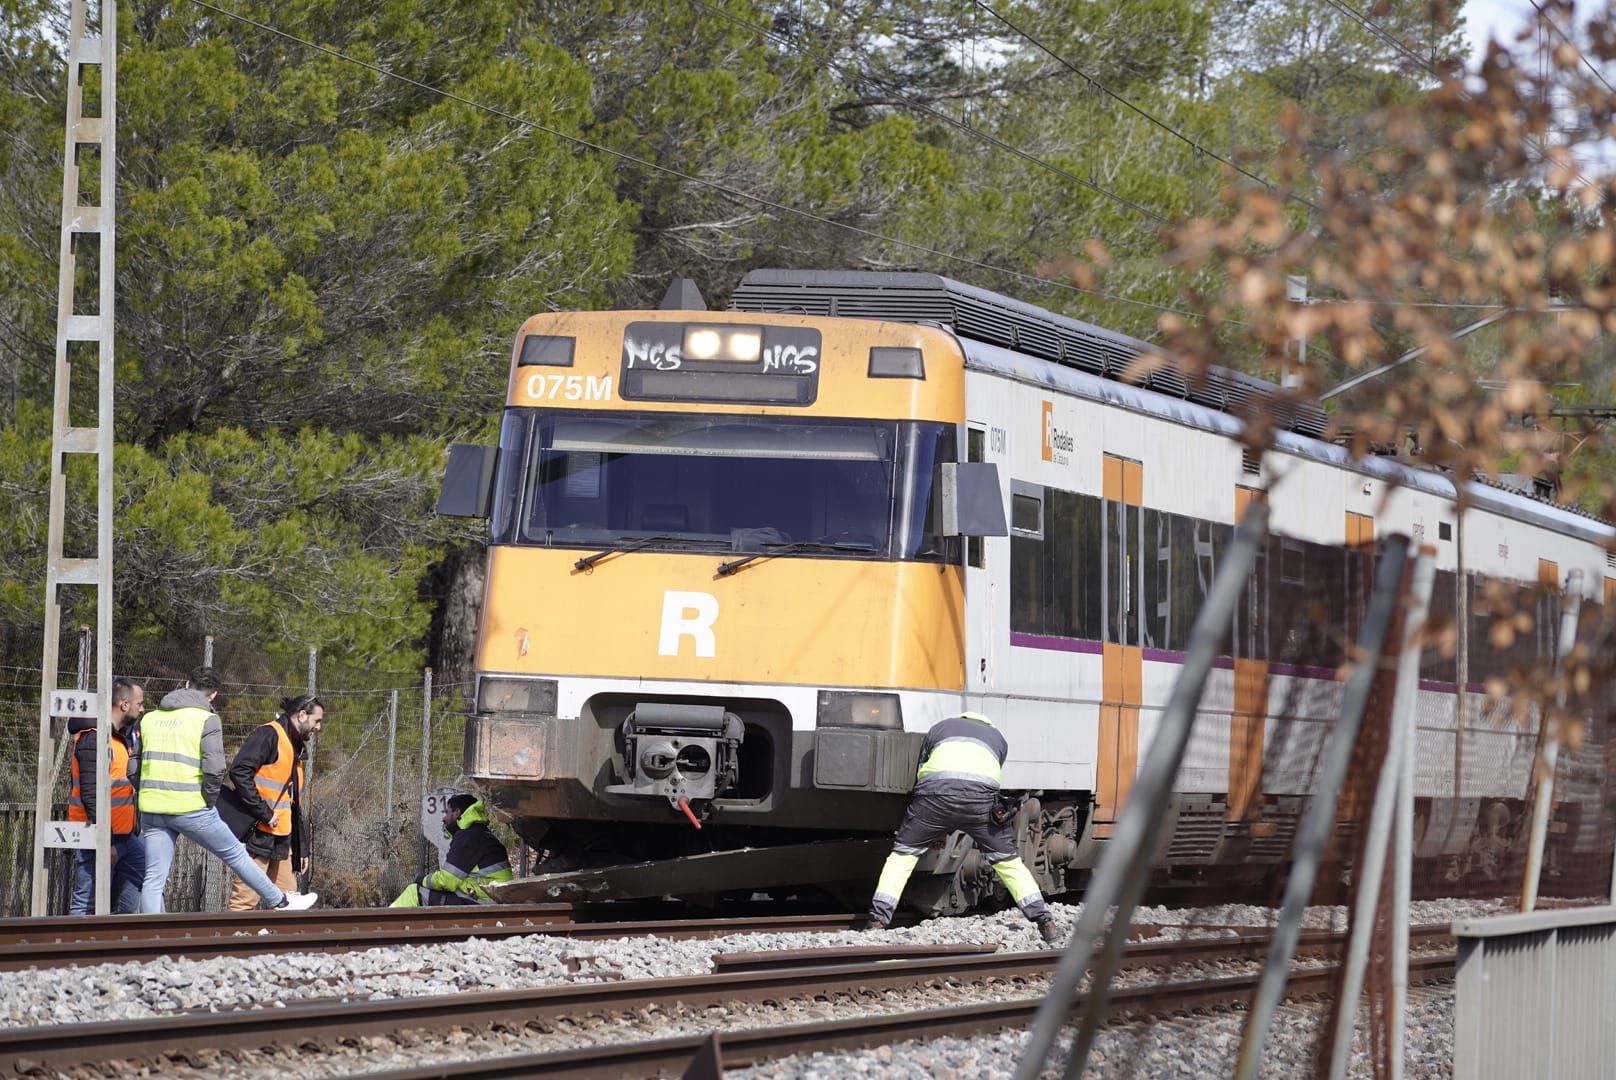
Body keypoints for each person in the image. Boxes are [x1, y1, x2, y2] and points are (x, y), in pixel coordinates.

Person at [865, 711, 1060, 943]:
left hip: (934, 798)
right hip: (979, 802)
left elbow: (921, 771)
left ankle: (877, 921)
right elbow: (991, 776)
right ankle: (1045, 921)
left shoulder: (939, 729)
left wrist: (937, 829)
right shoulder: (997, 738)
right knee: (1007, 862)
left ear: (961, 720)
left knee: (903, 856)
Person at [136, 665, 318, 913]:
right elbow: (215, 768)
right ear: (213, 695)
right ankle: (282, 901)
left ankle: (153, 940)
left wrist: (146, 793)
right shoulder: (207, 719)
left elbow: (132, 766)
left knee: (153, 879)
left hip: (152, 807)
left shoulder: (149, 719)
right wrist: (208, 800)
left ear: (186, 685)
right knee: (236, 856)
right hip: (191, 807)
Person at [219, 694, 323, 912]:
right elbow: (239, 772)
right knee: (245, 901)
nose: (318, 727)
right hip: (258, 833)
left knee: (288, 902)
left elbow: (293, 804)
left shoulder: (295, 745)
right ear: (302, 715)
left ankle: (280, 945)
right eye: (317, 721)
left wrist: (301, 848)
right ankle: (233, 942)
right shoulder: (269, 735)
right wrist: (264, 812)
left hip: (281, 836)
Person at [67, 678, 145, 914]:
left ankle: (119, 940)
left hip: (121, 834)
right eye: (139, 703)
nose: (142, 709)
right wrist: (106, 841)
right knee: (86, 901)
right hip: (95, 834)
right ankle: (75, 948)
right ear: (123, 705)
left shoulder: (115, 737)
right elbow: (92, 794)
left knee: (140, 873)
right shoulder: (94, 738)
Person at [389, 794, 513, 906]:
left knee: (414, 892)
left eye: (447, 812)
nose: (444, 818)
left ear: (457, 813)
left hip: (480, 903)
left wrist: (423, 880)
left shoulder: (468, 837)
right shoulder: (482, 835)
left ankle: (385, 926)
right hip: (489, 900)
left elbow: (447, 880)